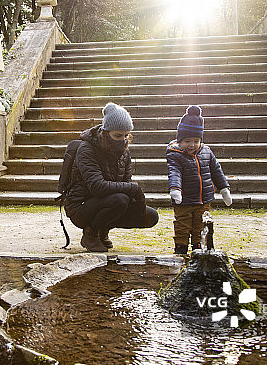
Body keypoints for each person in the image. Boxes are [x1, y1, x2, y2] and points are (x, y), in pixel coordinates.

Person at [64, 102, 159, 252]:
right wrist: (133, 189)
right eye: (118, 135)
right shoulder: (87, 149)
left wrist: (137, 202)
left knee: (151, 216)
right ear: (106, 132)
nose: (123, 139)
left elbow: (126, 182)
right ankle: (91, 234)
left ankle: (103, 230)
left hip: (109, 201)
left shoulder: (125, 152)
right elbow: (97, 187)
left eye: (126, 135)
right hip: (80, 207)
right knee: (120, 200)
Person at [166, 105, 232, 254]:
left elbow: (216, 171)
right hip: (184, 200)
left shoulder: (206, 152)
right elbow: (174, 172)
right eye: (187, 141)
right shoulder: (175, 155)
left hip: (204, 199)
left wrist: (224, 189)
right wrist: (175, 189)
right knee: (182, 225)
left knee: (201, 225)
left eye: (196, 141)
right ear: (180, 140)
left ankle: (198, 248)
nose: (192, 145)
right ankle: (181, 248)